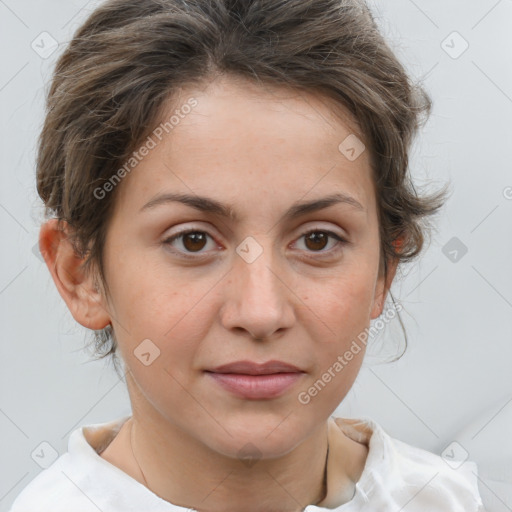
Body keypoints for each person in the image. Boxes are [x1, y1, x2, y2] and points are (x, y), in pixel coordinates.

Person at [10, 0, 485, 510]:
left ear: (382, 272)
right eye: (192, 240)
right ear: (81, 274)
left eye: (318, 239)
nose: (261, 313)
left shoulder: (443, 499)